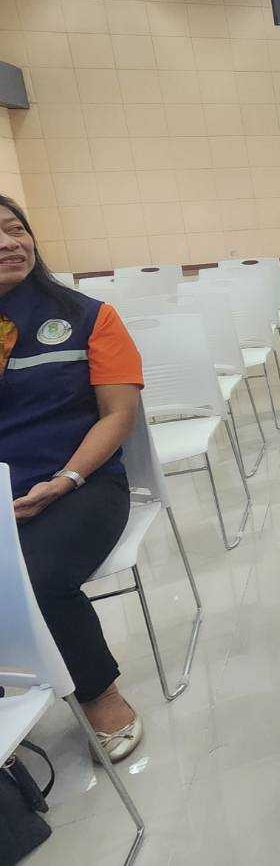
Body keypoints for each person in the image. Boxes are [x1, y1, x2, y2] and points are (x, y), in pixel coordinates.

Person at [0, 195, 145, 761]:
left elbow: (118, 415)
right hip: (4, 492)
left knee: (36, 578)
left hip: (80, 486)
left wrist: (67, 478)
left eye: (16, 229)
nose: (9, 243)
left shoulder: (89, 317)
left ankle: (98, 692)